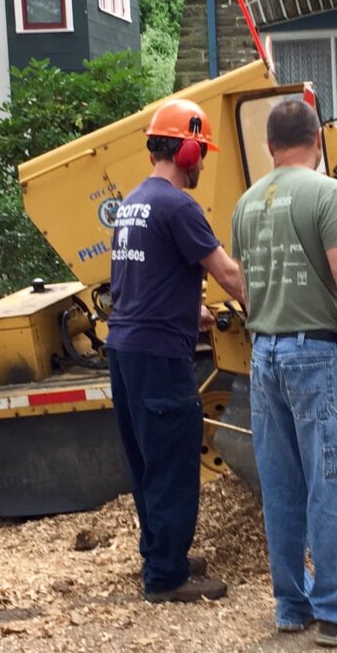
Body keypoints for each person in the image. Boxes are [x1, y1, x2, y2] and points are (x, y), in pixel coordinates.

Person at [231, 100, 337, 647]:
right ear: (317, 142)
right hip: (317, 355)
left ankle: (291, 605)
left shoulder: (246, 203)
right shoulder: (328, 194)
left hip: (265, 355)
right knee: (335, 482)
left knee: (281, 484)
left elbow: (247, 287)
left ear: (270, 147)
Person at [105, 99, 244, 603]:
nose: (203, 162)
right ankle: (167, 577)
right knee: (174, 459)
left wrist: (191, 312)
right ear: (186, 150)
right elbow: (227, 274)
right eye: (202, 151)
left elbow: (137, 281)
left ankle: (162, 551)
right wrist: (274, 306)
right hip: (160, 356)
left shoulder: (132, 203)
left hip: (124, 350)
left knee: (147, 459)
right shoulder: (179, 206)